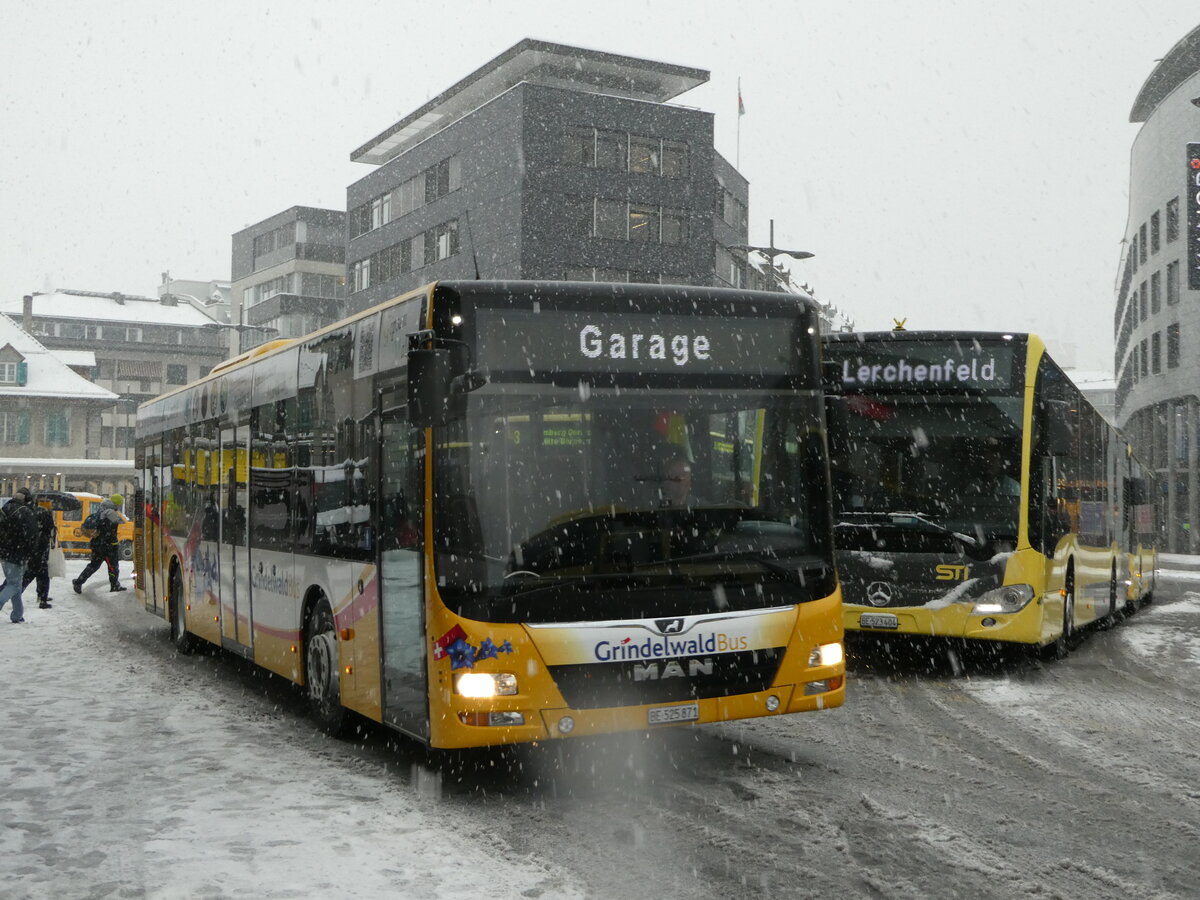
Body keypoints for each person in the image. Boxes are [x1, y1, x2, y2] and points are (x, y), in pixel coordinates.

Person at [73, 494, 126, 593]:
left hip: (97, 543)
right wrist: (113, 542)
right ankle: (114, 585)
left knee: (94, 565)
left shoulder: (101, 510)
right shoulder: (110, 513)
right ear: (117, 504)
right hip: (107, 545)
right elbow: (111, 528)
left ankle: (78, 581)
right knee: (113, 566)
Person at [0, 487, 39, 623]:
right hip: (18, 553)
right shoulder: (26, 512)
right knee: (14, 585)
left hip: (4, 552)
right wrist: (30, 552)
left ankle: (17, 614)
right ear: (27, 500)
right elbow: (32, 535)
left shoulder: (5, 508)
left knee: (15, 583)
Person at [20, 494, 58, 608]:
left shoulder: (31, 512)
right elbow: (51, 531)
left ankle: (17, 593)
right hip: (42, 546)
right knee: (43, 573)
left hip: (31, 547)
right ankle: (43, 598)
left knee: (29, 572)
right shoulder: (46, 513)